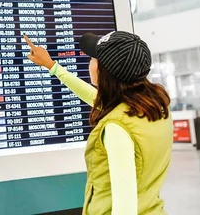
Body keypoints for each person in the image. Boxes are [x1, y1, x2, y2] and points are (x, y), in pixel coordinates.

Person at [24, 31, 172, 215]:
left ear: (102, 70)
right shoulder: (154, 106)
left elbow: (124, 207)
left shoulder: (117, 127)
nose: (90, 63)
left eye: (94, 58)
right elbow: (92, 96)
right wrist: (52, 66)